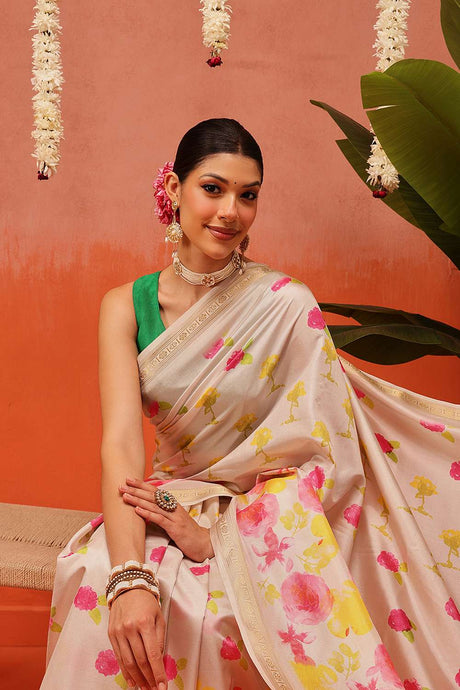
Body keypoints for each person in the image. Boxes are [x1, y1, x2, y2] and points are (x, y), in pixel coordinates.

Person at [41, 119, 459, 690]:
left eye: (248, 195)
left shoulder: (284, 304)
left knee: (214, 603)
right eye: (213, 189)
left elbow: (327, 453)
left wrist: (219, 537)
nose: (230, 212)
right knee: (101, 576)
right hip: (172, 497)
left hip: (262, 515)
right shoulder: (125, 306)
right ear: (174, 189)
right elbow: (119, 443)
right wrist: (129, 576)